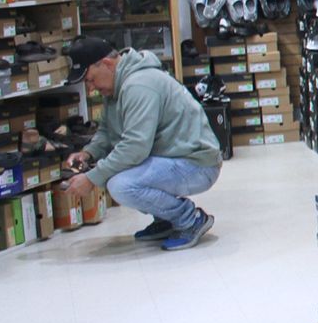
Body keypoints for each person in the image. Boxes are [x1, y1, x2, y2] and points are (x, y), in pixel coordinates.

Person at [58, 37, 222, 251]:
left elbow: (135, 148)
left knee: (121, 185)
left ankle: (190, 220)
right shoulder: (116, 86)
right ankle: (166, 219)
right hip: (172, 156)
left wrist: (91, 178)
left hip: (197, 164)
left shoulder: (139, 85)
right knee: (116, 172)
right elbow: (107, 131)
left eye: (90, 80)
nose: (90, 88)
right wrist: (88, 153)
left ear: (107, 64)